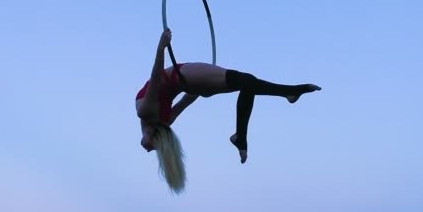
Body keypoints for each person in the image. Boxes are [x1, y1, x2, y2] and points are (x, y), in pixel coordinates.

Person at [135, 29, 321, 193]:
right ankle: (283, 99)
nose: (148, 149)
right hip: (187, 81)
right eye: (154, 148)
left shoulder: (146, 112)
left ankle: (281, 100)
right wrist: (201, 88)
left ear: (152, 133)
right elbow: (185, 102)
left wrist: (161, 48)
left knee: (247, 82)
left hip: (180, 77)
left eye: (151, 147)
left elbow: (156, 77)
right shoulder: (165, 121)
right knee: (246, 82)